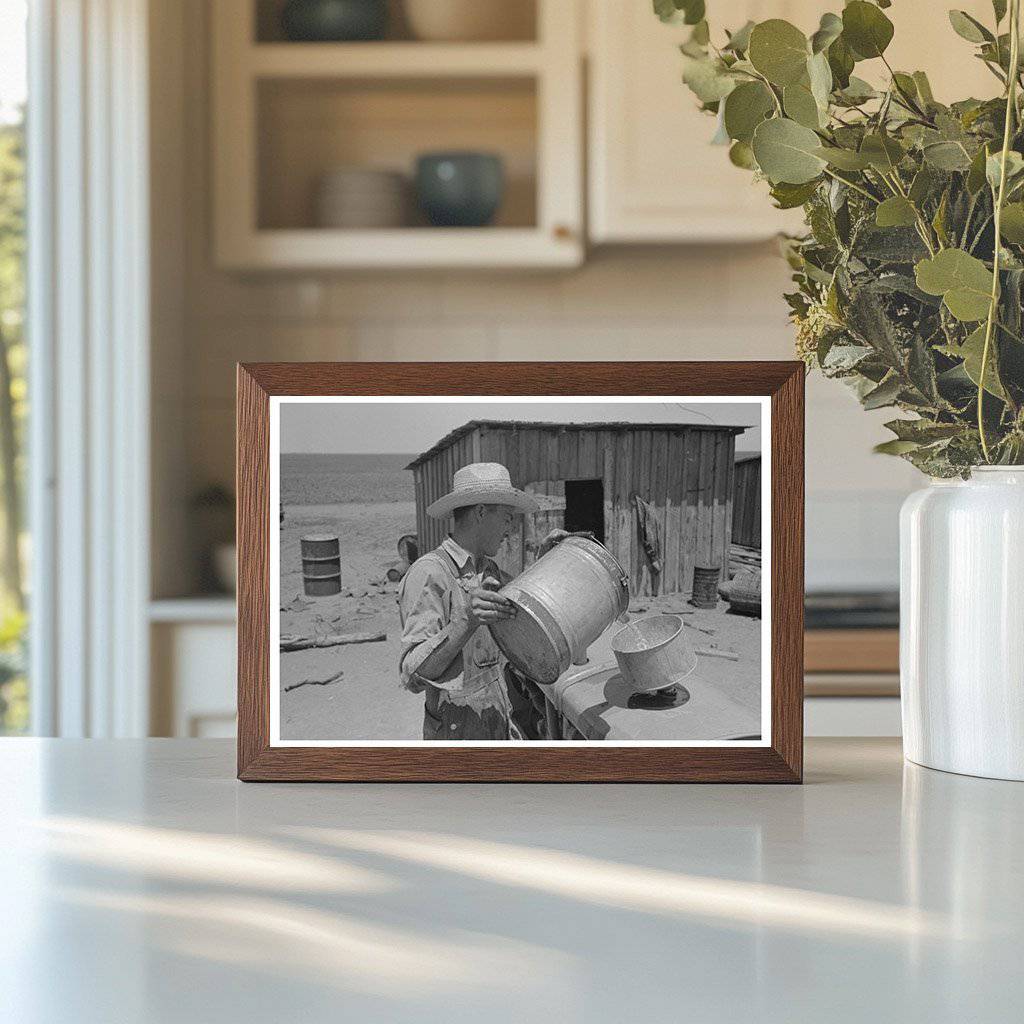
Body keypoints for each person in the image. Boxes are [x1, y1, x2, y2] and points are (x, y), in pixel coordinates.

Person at [398, 462, 565, 740]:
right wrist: (465, 621)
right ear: (480, 512)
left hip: (497, 725)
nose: (510, 528)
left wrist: (546, 563)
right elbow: (412, 676)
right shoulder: (431, 573)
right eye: (507, 516)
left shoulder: (490, 572)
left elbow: (522, 609)